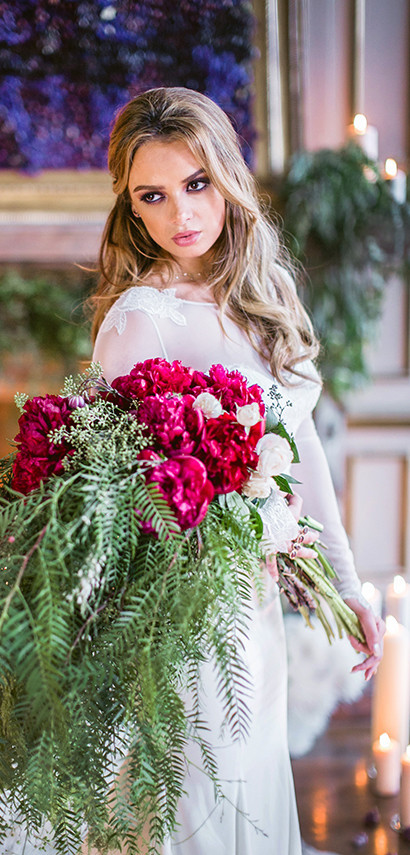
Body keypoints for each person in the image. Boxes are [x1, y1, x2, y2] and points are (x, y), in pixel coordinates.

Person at [89, 86, 385, 854]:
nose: (180, 214)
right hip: (175, 618)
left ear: (227, 177)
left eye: (196, 184)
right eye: (153, 196)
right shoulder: (138, 322)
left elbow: (299, 449)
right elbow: (105, 499)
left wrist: (345, 584)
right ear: (132, 208)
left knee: (250, 790)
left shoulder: (258, 296)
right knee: (193, 801)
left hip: (248, 611)